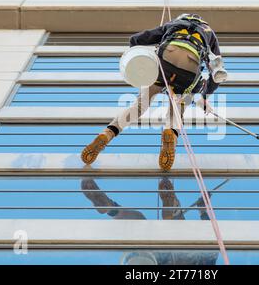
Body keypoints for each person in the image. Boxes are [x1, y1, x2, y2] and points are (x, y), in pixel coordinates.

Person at [81, 13, 226, 171]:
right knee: (177, 110)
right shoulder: (209, 33)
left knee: (139, 106)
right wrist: (205, 97)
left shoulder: (174, 25)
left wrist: (138, 61)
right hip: (190, 67)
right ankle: (170, 132)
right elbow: (217, 70)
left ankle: (108, 133)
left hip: (165, 59)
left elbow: (136, 39)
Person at [81, 177, 219, 265]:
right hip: (172, 257)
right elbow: (212, 243)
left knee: (140, 221)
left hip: (161, 258)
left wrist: (202, 211)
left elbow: (211, 240)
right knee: (179, 233)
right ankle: (171, 210)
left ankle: (110, 207)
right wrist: (202, 211)